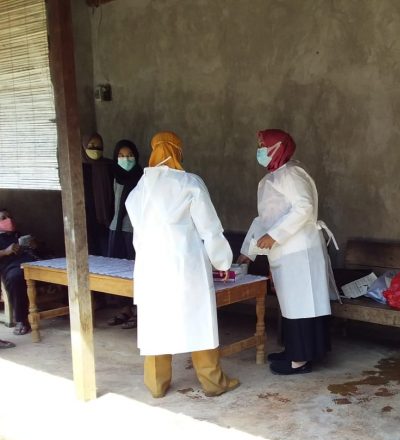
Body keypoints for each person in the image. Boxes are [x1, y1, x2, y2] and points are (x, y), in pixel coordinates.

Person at [125, 131, 239, 398]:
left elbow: (138, 235)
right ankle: (213, 382)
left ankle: (156, 384)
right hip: (185, 265)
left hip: (151, 267)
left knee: (156, 322)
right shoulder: (189, 183)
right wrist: (222, 261)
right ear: (177, 151)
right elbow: (209, 228)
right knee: (199, 319)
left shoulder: (139, 190)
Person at [238, 129, 337, 376]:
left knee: (302, 304)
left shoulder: (292, 173)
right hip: (285, 252)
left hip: (300, 251)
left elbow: (304, 207)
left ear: (278, 147)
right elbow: (264, 219)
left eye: (263, 145)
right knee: (291, 306)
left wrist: (275, 235)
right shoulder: (271, 178)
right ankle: (293, 351)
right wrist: (248, 251)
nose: (259, 150)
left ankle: (300, 360)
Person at [106, 139, 143, 329]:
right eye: (121, 156)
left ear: (136, 156)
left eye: (129, 155)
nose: (125, 159)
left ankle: (139, 311)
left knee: (135, 271)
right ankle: (125, 308)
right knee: (117, 270)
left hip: (134, 231)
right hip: (116, 229)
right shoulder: (113, 176)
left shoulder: (142, 177)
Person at [0, 209, 38, 336]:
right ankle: (21, 320)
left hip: (31, 262)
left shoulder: (17, 234)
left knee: (57, 269)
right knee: (15, 278)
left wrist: (33, 245)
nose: (8, 220)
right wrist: (5, 251)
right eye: (3, 218)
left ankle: (66, 309)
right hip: (11, 266)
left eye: (9, 217)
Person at [82, 133, 114, 256]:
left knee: (108, 253)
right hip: (87, 218)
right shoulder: (78, 168)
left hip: (108, 217)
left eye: (99, 145)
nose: (95, 149)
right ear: (84, 146)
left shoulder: (110, 166)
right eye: (91, 145)